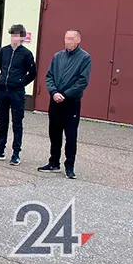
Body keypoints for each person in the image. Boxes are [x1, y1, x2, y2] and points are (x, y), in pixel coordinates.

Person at [38, 30, 91, 179]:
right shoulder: (57, 56)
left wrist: (65, 95)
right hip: (55, 101)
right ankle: (54, 162)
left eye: (70, 38)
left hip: (71, 103)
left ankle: (70, 166)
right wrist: (54, 92)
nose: (67, 40)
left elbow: (82, 81)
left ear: (78, 40)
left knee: (71, 135)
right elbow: (49, 76)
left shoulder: (84, 58)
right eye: (65, 38)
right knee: (54, 134)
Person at [0, 24, 37, 166]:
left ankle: (16, 154)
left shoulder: (26, 54)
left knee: (17, 122)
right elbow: (1, 68)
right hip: (3, 91)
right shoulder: (4, 51)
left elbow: (32, 73)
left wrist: (21, 83)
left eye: (17, 35)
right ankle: (0, 150)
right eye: (12, 35)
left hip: (17, 92)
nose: (14, 38)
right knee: (3, 121)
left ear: (22, 37)